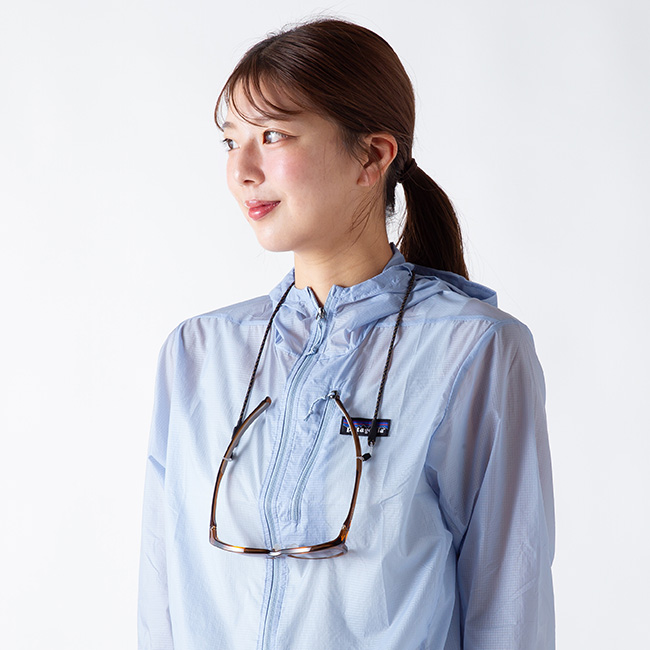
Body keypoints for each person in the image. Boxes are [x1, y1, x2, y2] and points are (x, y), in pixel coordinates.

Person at [138, 18, 555, 650]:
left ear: (372, 156)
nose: (242, 170)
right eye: (230, 141)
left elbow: (509, 608)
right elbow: (162, 597)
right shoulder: (198, 352)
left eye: (273, 135)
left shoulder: (474, 350)